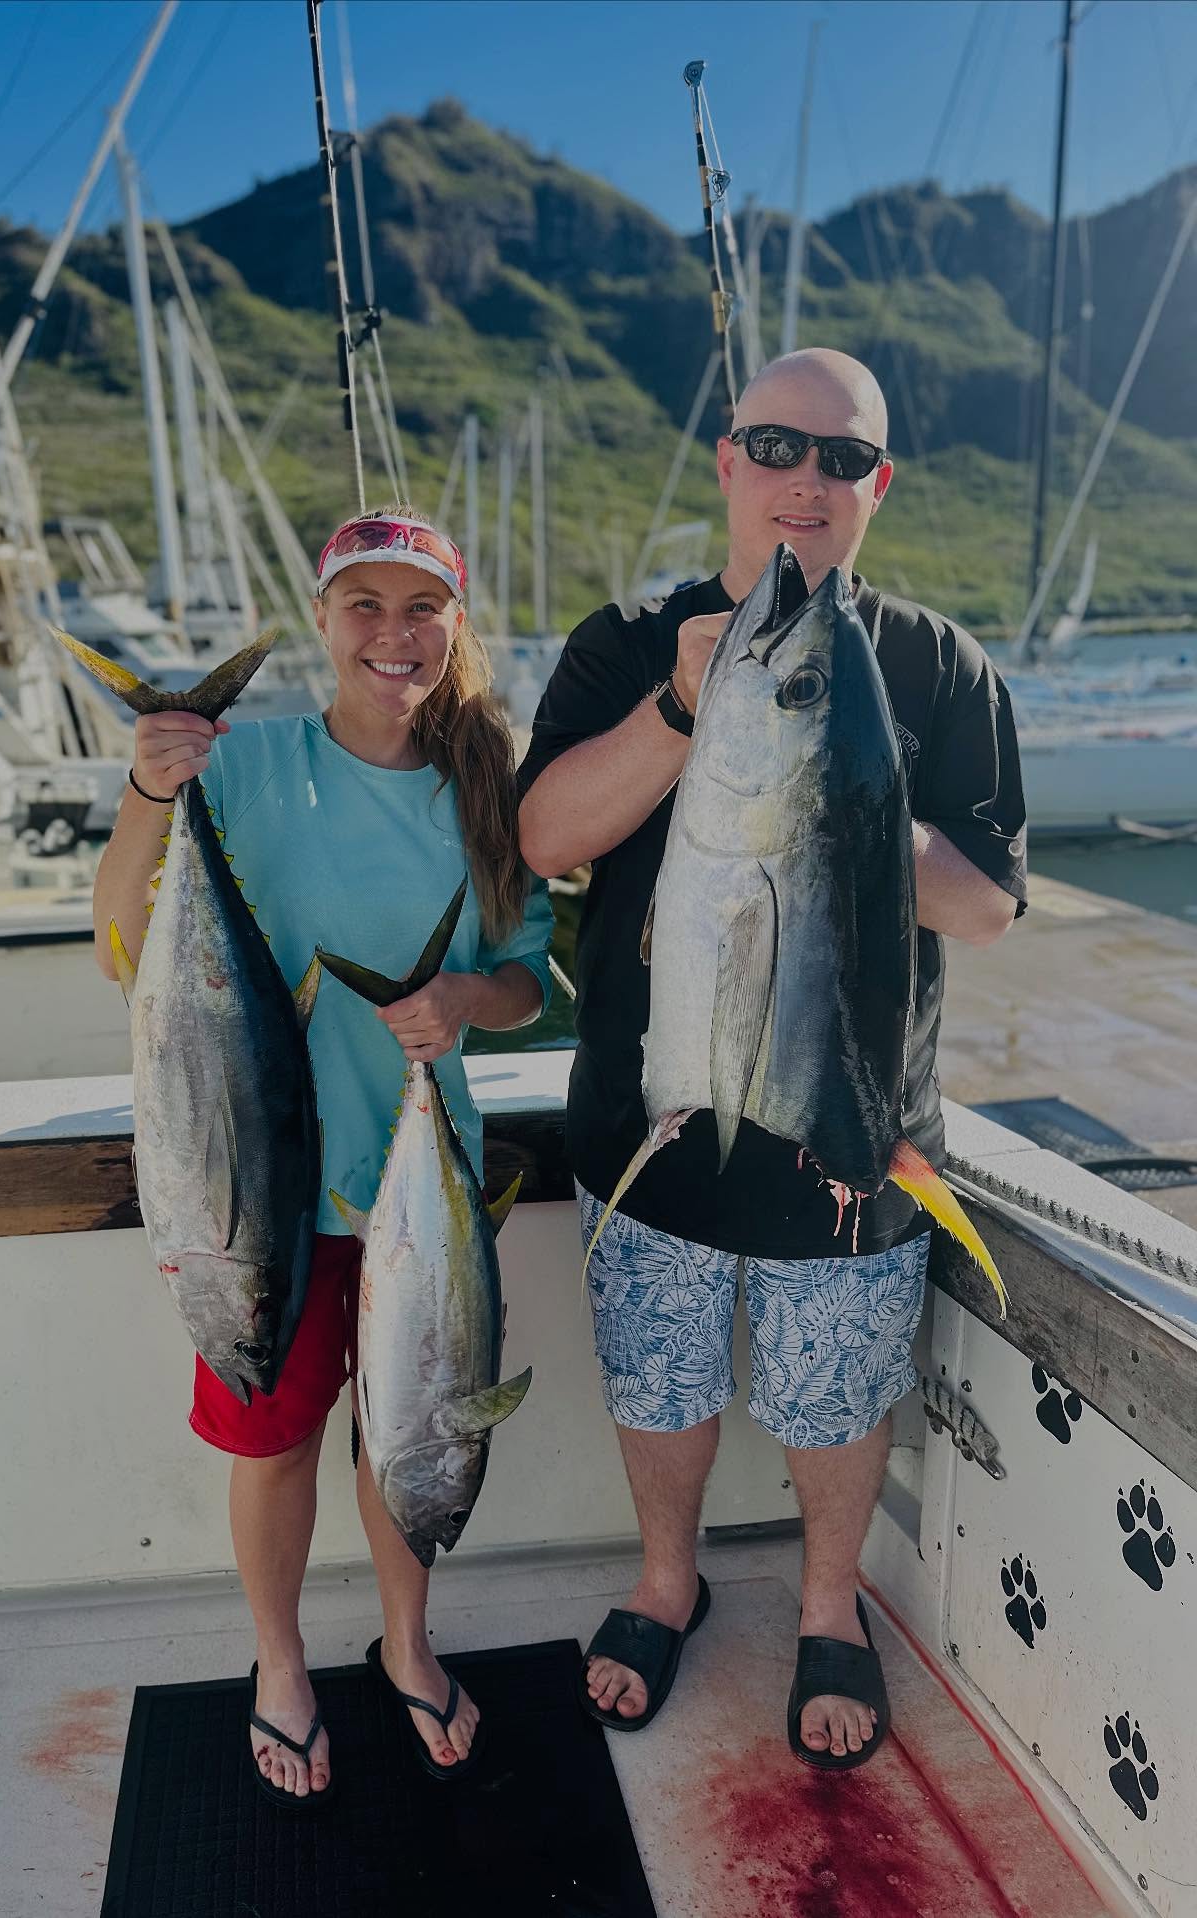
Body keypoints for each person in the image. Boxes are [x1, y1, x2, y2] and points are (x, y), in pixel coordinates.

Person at [517, 348, 1025, 1770]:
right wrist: (688, 712)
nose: (808, 477)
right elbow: (545, 841)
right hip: (651, 1119)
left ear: (880, 484)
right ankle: (665, 1583)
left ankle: (826, 1604)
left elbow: (988, 904)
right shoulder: (626, 640)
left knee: (835, 1392)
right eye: (777, 445)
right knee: (659, 1378)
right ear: (729, 459)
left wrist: (843, 793)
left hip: (849, 1136)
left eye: (842, 457)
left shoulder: (936, 664)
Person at [93, 507, 552, 1806]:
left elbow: (525, 983)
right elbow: (120, 941)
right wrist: (149, 791)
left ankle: (408, 1642)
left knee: (408, 1435)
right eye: (366, 605)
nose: (393, 636)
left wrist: (462, 1000)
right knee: (275, 1437)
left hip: (422, 1186)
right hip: (258, 1195)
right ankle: (280, 1661)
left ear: (454, 625)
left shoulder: (487, 784)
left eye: (422, 608)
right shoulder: (244, 765)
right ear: (322, 619)